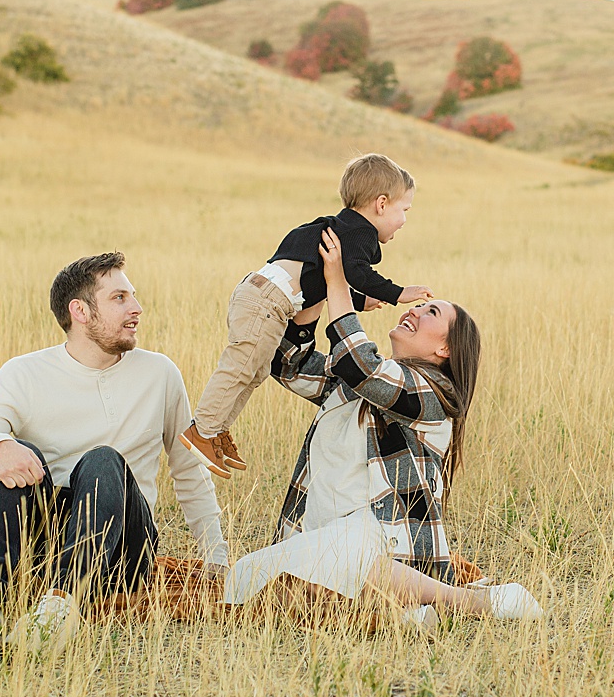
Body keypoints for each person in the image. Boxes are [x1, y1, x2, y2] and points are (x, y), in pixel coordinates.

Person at [220, 227, 544, 624]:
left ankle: (467, 603)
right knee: (243, 580)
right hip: (322, 540)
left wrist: (340, 279)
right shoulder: (360, 384)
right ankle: (402, 615)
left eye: (431, 313)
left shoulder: (432, 395)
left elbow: (361, 365)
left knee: (340, 559)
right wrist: (319, 287)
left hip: (387, 547)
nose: (413, 311)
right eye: (420, 307)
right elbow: (287, 363)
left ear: (444, 349)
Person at [0, 252, 230, 654]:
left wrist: (215, 557)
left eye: (133, 296)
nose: (136, 308)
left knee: (103, 459)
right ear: (79, 311)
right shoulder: (24, 373)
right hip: (43, 545)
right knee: (9, 450)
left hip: (123, 549)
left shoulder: (160, 373)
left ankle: (60, 611)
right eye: (119, 298)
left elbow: (188, 471)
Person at [181, 153, 432, 479]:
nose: (404, 220)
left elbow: (325, 280)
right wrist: (398, 293)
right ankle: (202, 430)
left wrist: (359, 300)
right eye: (405, 210)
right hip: (266, 302)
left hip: (266, 300)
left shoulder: (337, 228)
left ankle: (215, 431)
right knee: (241, 367)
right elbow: (355, 272)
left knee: (254, 372)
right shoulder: (360, 233)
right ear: (381, 204)